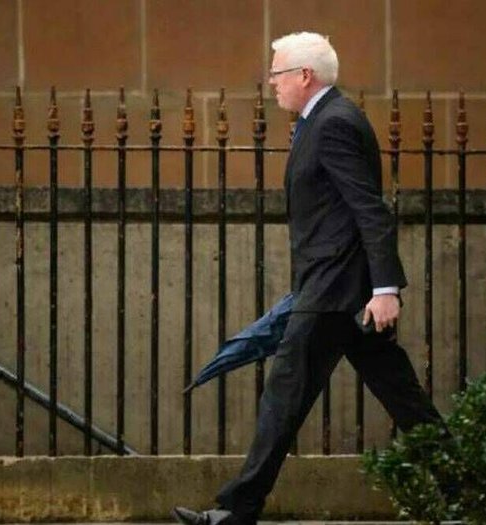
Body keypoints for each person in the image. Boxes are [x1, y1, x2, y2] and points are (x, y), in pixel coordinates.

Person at [172, 32, 453, 525]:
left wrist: (386, 289)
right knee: (404, 398)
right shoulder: (319, 121)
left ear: (305, 76)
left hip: (333, 291)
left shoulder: (333, 123)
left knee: (284, 396)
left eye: (277, 73)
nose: (271, 83)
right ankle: (471, 493)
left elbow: (370, 210)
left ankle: (236, 512)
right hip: (339, 291)